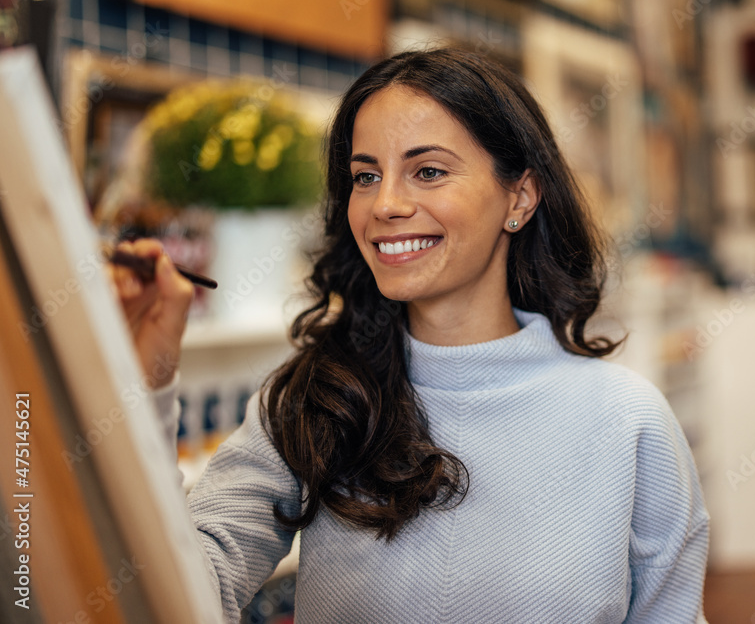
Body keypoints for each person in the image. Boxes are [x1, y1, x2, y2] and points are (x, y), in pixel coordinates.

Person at [114, 48, 710, 623]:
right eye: (366, 176)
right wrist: (148, 384)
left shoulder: (628, 422)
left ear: (520, 198)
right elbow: (178, 598)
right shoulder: (312, 400)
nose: (386, 204)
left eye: (428, 171)